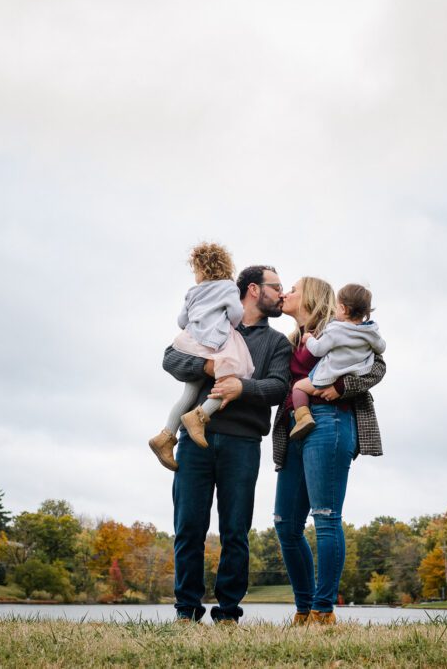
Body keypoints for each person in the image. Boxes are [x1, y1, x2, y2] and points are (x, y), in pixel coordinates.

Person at [162, 265, 292, 624]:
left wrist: (241, 387)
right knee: (188, 527)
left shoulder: (276, 343)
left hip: (243, 443)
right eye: (276, 286)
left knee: (235, 530)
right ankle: (186, 610)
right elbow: (169, 358)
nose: (282, 293)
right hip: (194, 441)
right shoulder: (213, 322)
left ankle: (228, 613)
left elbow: (279, 387)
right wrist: (209, 367)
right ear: (253, 289)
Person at [272, 277, 387, 625]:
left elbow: (379, 366)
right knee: (285, 524)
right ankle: (304, 608)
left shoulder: (337, 329)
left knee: (325, 516)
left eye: (293, 288)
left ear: (311, 297)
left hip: (330, 421)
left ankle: (324, 610)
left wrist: (341, 386)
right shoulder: (291, 342)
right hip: (294, 425)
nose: (285, 293)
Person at [148, 243, 255, 471]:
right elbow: (236, 314)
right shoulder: (228, 287)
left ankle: (165, 436)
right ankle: (200, 415)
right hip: (217, 342)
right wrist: (227, 320)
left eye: (195, 269)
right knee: (232, 378)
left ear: (204, 269)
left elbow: (181, 321)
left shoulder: (192, 292)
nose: (195, 274)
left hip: (192, 343)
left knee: (188, 393)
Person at [288, 283, 386, 441]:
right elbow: (381, 347)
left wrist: (309, 340)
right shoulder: (370, 332)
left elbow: (318, 350)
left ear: (343, 309)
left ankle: (303, 417)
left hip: (328, 387)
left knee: (298, 387)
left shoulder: (334, 330)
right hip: (351, 375)